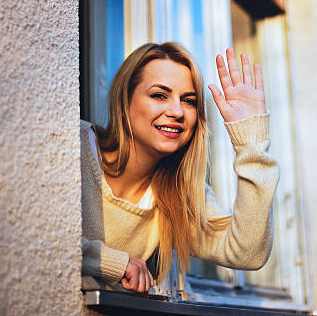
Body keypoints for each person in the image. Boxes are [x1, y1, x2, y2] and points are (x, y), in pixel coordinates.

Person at [80, 42, 279, 293]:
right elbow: (34, 236)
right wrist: (114, 262)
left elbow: (247, 253)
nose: (177, 111)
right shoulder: (71, 146)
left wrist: (252, 144)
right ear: (124, 101)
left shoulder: (180, 193)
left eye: (188, 100)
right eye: (159, 95)